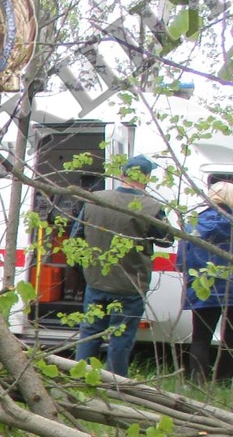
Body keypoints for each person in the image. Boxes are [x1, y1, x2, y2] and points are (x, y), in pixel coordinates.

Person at [70, 154, 174, 376]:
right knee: (121, 337)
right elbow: (166, 240)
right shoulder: (151, 206)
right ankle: (116, 385)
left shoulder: (94, 199)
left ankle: (80, 378)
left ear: (121, 175)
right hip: (130, 285)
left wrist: (84, 269)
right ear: (146, 177)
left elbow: (75, 239)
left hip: (96, 281)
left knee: (89, 332)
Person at [178, 181, 233, 381]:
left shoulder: (194, 222)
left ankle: (197, 380)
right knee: (230, 338)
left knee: (200, 338)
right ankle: (224, 379)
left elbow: (182, 259)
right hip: (231, 288)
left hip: (203, 287)